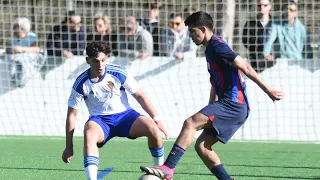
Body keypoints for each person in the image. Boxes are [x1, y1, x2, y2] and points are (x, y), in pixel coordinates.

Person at [140, 11, 283, 180]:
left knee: (189, 123)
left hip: (234, 104)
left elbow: (245, 66)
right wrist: (209, 107)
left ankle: (168, 167)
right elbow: (215, 82)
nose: (191, 36)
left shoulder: (218, 46)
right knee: (202, 146)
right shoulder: (210, 49)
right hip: (230, 105)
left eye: (192, 31)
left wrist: (268, 90)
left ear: (203, 29)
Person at [62, 41, 168, 180]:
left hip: (126, 117)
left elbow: (140, 96)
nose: (100, 65)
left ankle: (159, 172)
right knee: (89, 133)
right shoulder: (81, 83)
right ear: (87, 60)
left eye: (103, 60)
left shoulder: (117, 72)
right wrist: (68, 147)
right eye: (95, 61)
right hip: (100, 121)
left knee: (153, 129)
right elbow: (72, 115)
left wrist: (156, 119)